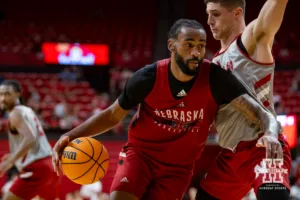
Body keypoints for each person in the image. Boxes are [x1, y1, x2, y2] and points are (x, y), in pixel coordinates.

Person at [52, 19, 280, 200]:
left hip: (178, 168)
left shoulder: (216, 78)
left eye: (200, 46)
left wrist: (270, 132)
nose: (196, 52)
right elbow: (112, 115)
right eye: (189, 44)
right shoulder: (147, 78)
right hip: (140, 156)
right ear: (172, 45)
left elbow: (260, 112)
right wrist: (69, 135)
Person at [196, 0, 291, 200]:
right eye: (208, 14)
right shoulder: (214, 63)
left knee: (273, 196)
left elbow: (266, 24)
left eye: (216, 14)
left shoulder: (248, 42)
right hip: (231, 156)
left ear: (237, 13)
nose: (209, 21)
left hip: (264, 146)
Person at [0, 80, 59, 200]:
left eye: (7, 94)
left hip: (37, 167)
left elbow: (30, 138)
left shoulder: (15, 114)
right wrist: (15, 155)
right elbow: (34, 140)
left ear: (18, 94)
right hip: (50, 164)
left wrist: (9, 162)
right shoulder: (27, 110)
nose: (3, 98)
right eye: (1, 94)